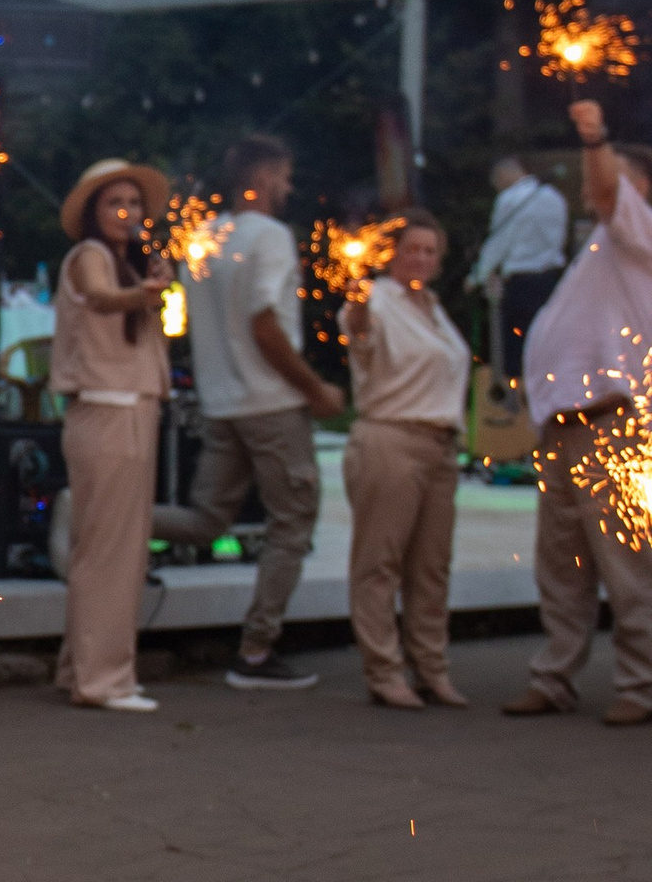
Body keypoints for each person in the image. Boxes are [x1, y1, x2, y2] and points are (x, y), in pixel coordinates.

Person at [150, 133, 343, 690]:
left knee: (209, 519)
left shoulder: (203, 238)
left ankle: (108, 515)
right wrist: (314, 389)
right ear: (258, 179)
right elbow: (264, 323)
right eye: (283, 175)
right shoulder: (272, 238)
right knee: (293, 521)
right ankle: (257, 650)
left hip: (220, 402)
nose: (289, 186)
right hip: (271, 404)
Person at [501, 97, 652, 724]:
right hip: (567, 426)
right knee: (560, 564)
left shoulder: (639, 231)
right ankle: (556, 676)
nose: (603, 190)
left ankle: (640, 687)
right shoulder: (602, 249)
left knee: (627, 568)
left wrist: (594, 139)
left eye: (620, 180)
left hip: (615, 426)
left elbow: (608, 189)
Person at [50, 159, 174, 714]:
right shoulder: (91, 257)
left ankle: (84, 668)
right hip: (107, 409)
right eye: (113, 203)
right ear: (94, 213)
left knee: (114, 548)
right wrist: (148, 291)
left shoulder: (129, 262)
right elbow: (102, 297)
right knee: (108, 551)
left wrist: (149, 284)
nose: (127, 212)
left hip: (127, 406)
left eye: (133, 202)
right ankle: (102, 680)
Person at [341, 210, 472, 710]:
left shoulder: (435, 307)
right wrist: (355, 301)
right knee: (380, 561)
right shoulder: (374, 298)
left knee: (432, 565)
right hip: (390, 438)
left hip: (439, 445)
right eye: (412, 248)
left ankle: (431, 668)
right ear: (391, 253)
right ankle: (383, 670)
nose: (420, 258)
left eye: (430, 251)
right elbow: (361, 335)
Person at [468, 153, 569, 384]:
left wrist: (477, 276)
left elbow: (499, 242)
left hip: (521, 282)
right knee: (545, 341)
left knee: (517, 345)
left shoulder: (512, 199)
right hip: (551, 280)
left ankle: (515, 403)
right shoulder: (555, 197)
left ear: (502, 175)